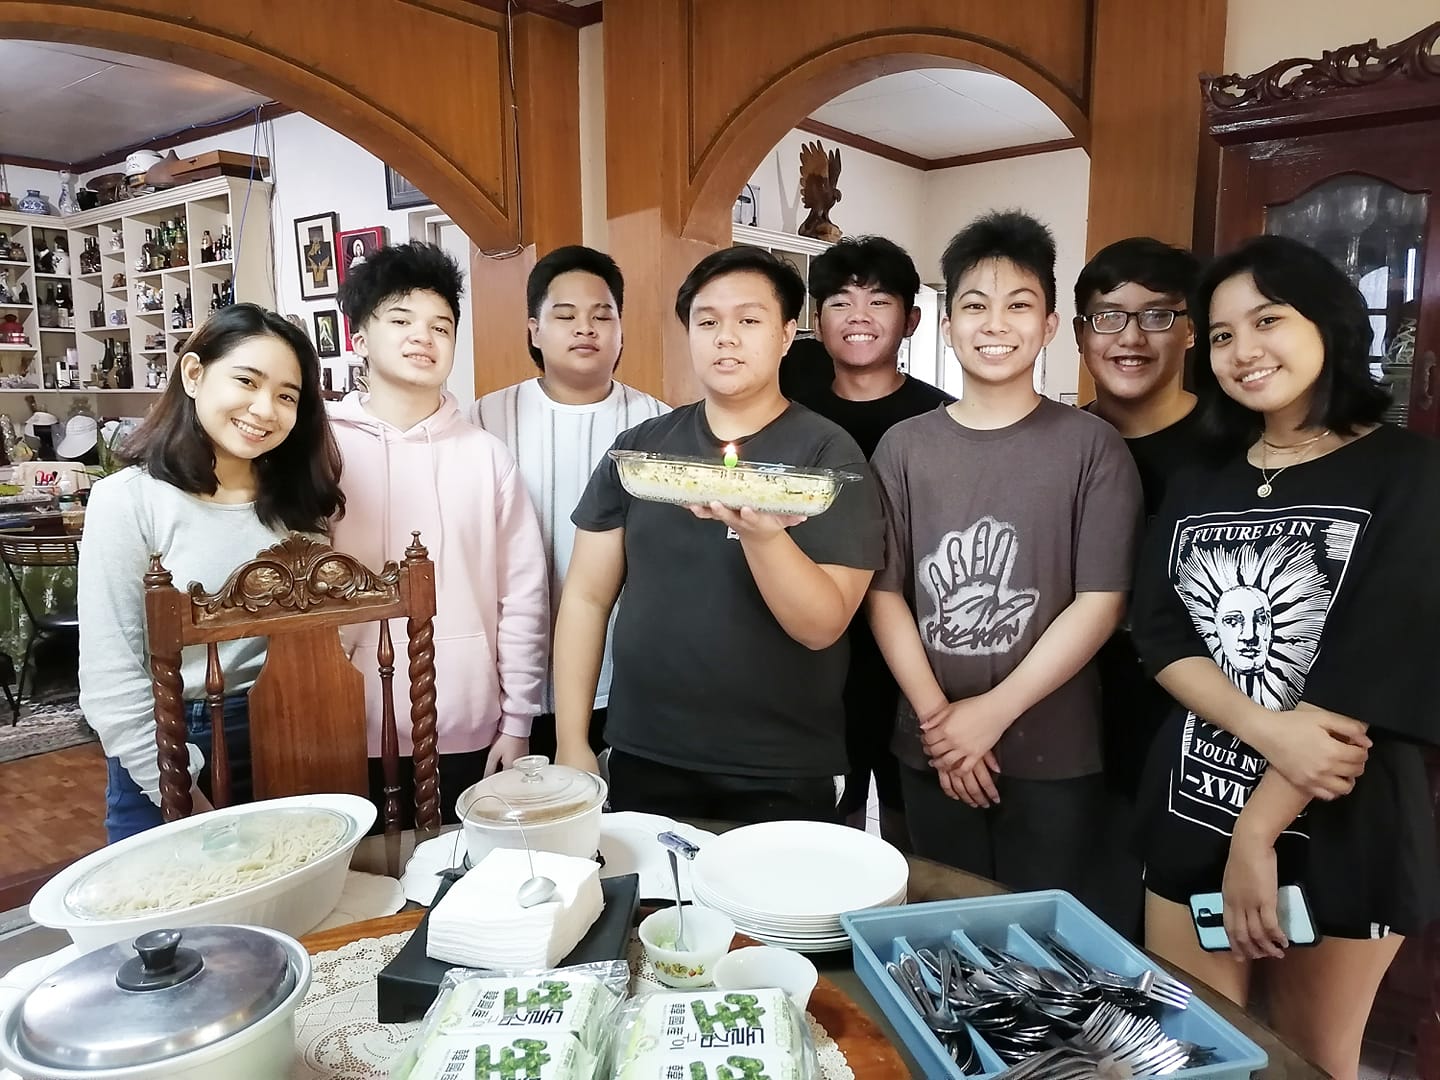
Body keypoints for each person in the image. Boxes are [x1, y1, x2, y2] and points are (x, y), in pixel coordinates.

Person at [1131, 234, 1440, 1078]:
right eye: (1221, 334)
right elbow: (1160, 632)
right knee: (1187, 1053)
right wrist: (1266, 730)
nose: (1243, 350)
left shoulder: (1409, 472)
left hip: (1341, 824)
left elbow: (1378, 662)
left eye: (1267, 320)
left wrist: (1257, 834)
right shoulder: (1202, 475)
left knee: (1310, 1062)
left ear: (1329, 323)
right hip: (1193, 804)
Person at [553, 247, 884, 823]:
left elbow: (821, 626)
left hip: (779, 766)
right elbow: (586, 597)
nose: (725, 337)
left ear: (787, 334)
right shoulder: (641, 452)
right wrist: (571, 740)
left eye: (749, 320)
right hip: (644, 750)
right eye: (707, 322)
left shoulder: (827, 457)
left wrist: (762, 535)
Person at [866, 210, 1142, 900]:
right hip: (930, 745)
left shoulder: (1093, 447)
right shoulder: (903, 448)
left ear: (1049, 325)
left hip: (1054, 750)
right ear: (946, 325)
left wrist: (988, 714)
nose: (995, 324)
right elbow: (883, 592)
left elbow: (1101, 601)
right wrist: (940, 722)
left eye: (1018, 305)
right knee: (939, 929)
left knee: (1042, 940)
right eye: (974, 306)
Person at [78, 304, 345, 843]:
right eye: (246, 381)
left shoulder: (299, 506)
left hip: (288, 732)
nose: (264, 409)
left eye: (287, 396)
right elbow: (111, 677)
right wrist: (179, 787)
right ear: (194, 374)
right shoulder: (129, 500)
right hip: (171, 739)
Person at [330, 241, 548, 823]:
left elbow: (521, 594)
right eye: (401, 320)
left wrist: (518, 720)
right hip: (343, 724)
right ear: (359, 337)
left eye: (441, 326)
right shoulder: (321, 450)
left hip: (465, 724)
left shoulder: (486, 456)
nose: (422, 338)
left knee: (457, 868)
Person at [780, 235, 953, 847]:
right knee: (834, 812)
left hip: (918, 645)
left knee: (912, 807)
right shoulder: (789, 419)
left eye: (878, 301)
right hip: (815, 646)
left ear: (912, 320)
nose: (858, 316)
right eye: (839, 302)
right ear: (815, 319)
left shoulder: (944, 420)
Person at [469, 246, 668, 763]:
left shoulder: (659, 425)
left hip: (625, 678)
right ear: (534, 330)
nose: (586, 328)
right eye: (566, 315)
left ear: (621, 331)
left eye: (603, 316)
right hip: (511, 684)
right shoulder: (484, 421)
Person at [1073, 236, 1203, 936]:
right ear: (1079, 334)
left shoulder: (1236, 448)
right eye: (1108, 316)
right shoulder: (1058, 443)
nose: (1130, 337)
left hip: (1198, 738)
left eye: (1157, 316)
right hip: (1071, 731)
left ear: (1190, 330)